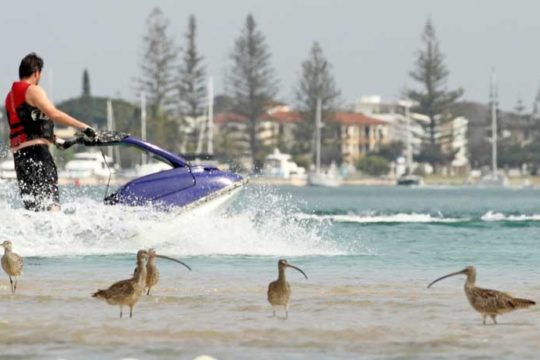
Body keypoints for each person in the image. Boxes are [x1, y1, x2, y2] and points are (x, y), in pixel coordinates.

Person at [4, 53, 96, 211]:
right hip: (38, 154)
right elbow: (54, 114)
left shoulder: (9, 97)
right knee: (52, 205)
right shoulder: (33, 90)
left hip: (20, 159)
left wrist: (54, 139)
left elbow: (29, 126)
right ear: (36, 73)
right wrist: (84, 127)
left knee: (34, 209)